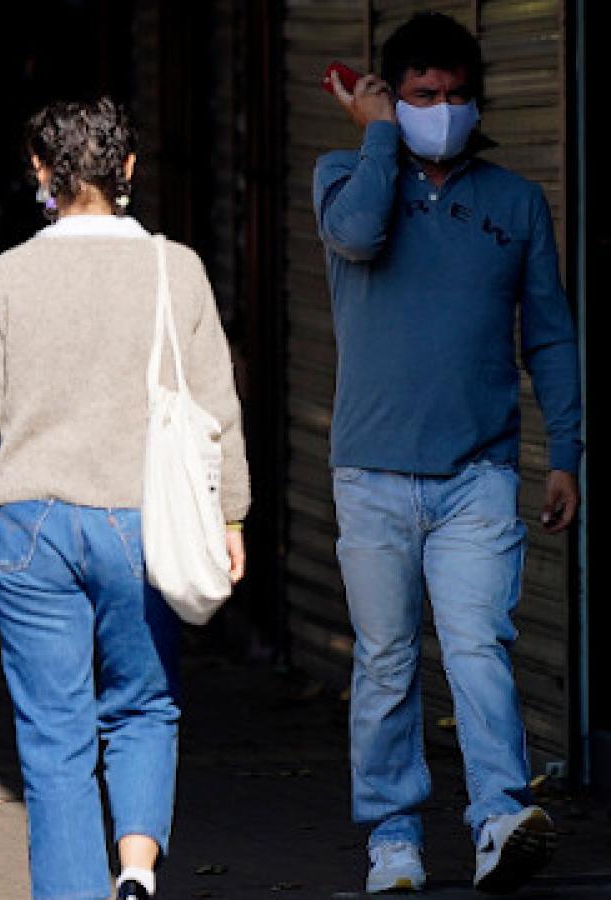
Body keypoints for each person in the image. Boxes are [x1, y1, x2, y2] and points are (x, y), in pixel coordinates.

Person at [0, 98, 249, 900]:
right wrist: (230, 512)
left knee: (53, 734)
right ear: (127, 169)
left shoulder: (9, 275)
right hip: (142, 520)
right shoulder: (176, 269)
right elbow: (216, 404)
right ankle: (137, 871)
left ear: (40, 173)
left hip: (33, 524)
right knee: (143, 705)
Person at [315, 12, 582, 895]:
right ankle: (393, 838)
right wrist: (378, 137)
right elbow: (359, 236)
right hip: (372, 470)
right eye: (423, 94)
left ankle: (498, 817)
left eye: (457, 95)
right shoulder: (344, 176)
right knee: (386, 662)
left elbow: (550, 335)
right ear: (390, 100)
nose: (443, 109)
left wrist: (566, 451)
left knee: (479, 648)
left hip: (480, 473)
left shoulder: (516, 201)